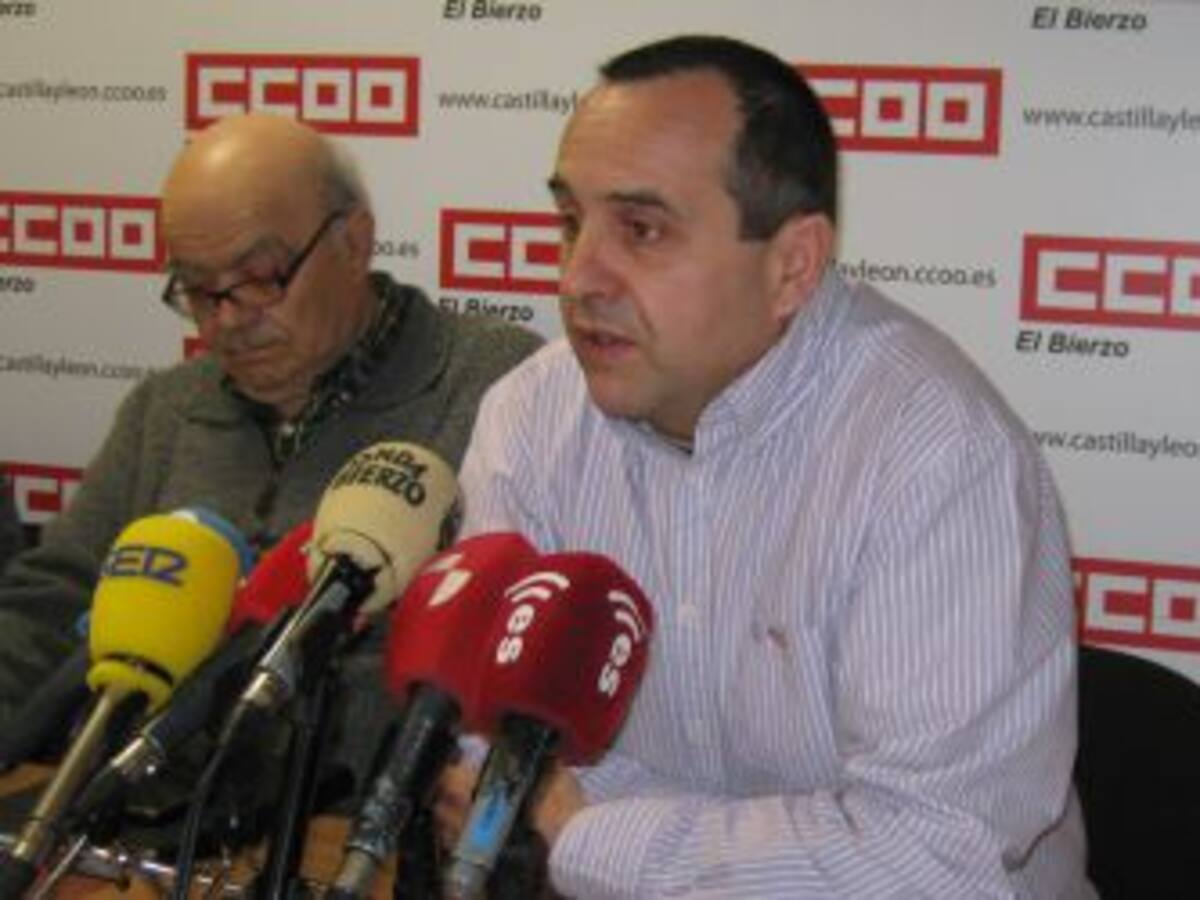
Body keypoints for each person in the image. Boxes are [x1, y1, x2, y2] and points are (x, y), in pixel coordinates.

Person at [439, 35, 1094, 897]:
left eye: (642, 230)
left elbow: (933, 857)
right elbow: (492, 752)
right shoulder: (530, 416)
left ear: (792, 266)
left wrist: (588, 831)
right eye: (570, 222)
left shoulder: (938, 453)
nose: (577, 277)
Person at [0, 114, 543, 786]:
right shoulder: (165, 411)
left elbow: (514, 657)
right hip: (136, 811)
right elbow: (52, 603)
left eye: (260, 277)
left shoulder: (496, 390)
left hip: (356, 821)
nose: (227, 319)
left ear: (354, 241)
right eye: (197, 288)